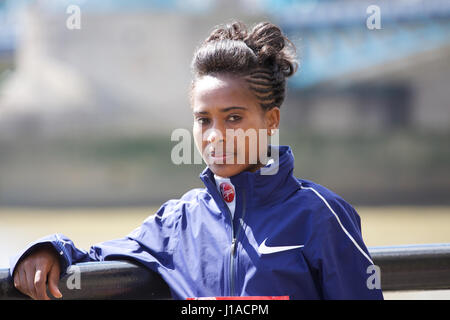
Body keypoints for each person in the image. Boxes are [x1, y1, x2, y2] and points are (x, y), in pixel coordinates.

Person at [9, 21, 383, 300]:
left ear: (271, 120)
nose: (215, 135)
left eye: (233, 118)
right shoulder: (176, 223)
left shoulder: (320, 216)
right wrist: (47, 249)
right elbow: (93, 256)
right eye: (204, 120)